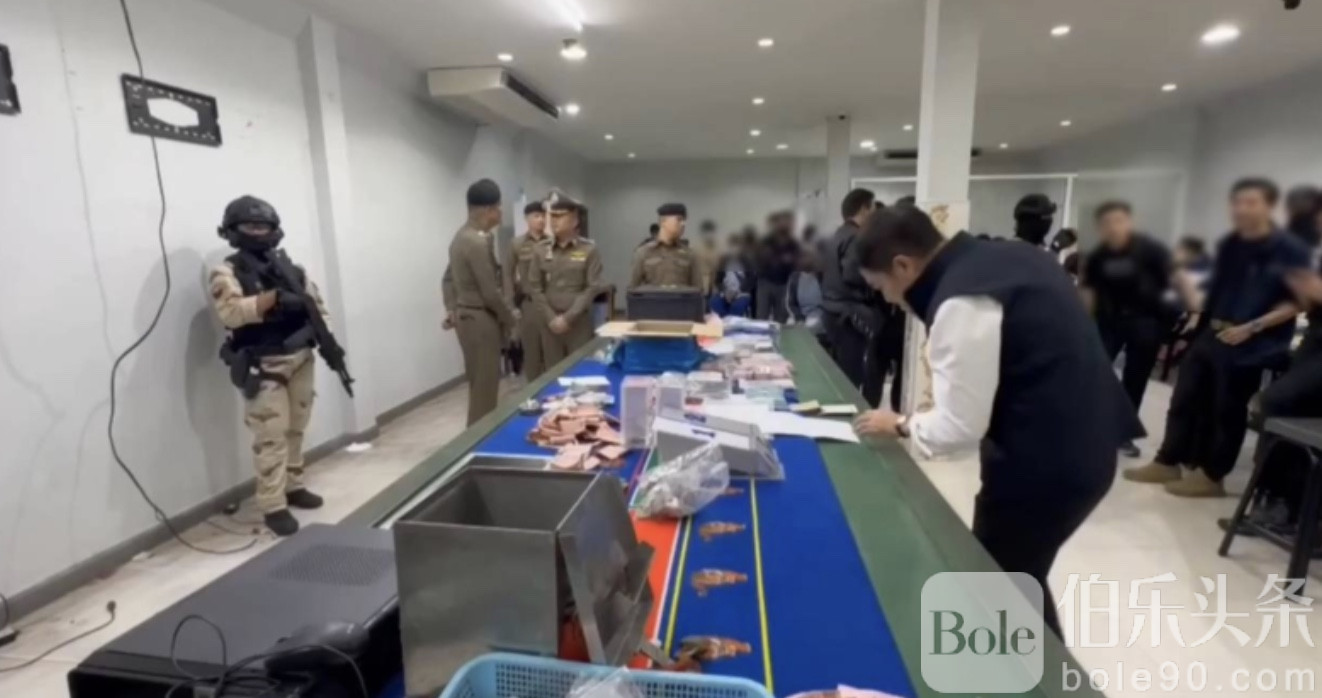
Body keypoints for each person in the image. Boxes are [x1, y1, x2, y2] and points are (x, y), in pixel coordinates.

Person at [851, 206, 1141, 634]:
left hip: (1048, 464)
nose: (889, 299)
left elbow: (958, 428)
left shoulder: (960, 301)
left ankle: (1037, 669)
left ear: (903, 266)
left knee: (998, 583)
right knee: (1016, 577)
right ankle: (1039, 663)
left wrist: (901, 424)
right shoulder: (1011, 256)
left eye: (882, 287)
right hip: (1089, 439)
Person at [1128, 178, 1310, 497]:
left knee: (1225, 409)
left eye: (1250, 202)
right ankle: (1168, 459)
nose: (1241, 209)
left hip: (1250, 340)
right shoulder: (1231, 244)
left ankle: (1212, 476)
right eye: (1237, 202)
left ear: (1269, 206)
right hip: (1211, 331)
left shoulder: (1289, 249)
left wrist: (1253, 327)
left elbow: (1299, 301)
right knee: (1184, 398)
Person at [210, 196, 332, 536]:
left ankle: (293, 485)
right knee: (271, 436)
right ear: (233, 231)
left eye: (263, 226)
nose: (258, 231)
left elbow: (318, 308)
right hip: (264, 364)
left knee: (297, 427)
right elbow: (231, 313)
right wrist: (272, 299)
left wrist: (321, 334)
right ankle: (272, 504)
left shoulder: (294, 270)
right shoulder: (226, 272)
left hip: (300, 358)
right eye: (250, 226)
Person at [1081, 201, 1173, 458]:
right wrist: (1083, 324)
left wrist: (1165, 329)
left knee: (1135, 380)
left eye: (1119, 221)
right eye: (1107, 223)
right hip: (1108, 322)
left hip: (1146, 324)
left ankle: (1123, 434)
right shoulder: (1098, 255)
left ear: (1130, 222)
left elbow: (1170, 289)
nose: (1113, 227)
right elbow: (1089, 292)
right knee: (1095, 374)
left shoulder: (1153, 252)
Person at [444, 179, 518, 426]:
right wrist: (511, 319)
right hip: (479, 319)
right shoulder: (474, 242)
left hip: (470, 317)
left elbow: (447, 278)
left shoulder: (463, 237)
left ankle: (478, 437)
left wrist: (451, 308)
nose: (501, 212)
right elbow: (490, 293)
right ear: (489, 210)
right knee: (484, 391)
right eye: (499, 207)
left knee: (481, 385)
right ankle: (478, 442)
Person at [822, 188, 886, 405]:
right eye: (873, 207)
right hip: (849, 312)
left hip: (832, 309)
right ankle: (849, 416)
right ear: (863, 209)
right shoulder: (856, 237)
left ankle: (839, 409)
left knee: (839, 372)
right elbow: (852, 274)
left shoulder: (838, 234)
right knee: (851, 374)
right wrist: (876, 276)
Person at [527, 195, 603, 366]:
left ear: (574, 220)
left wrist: (568, 318)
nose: (554, 221)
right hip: (549, 323)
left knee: (579, 369)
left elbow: (592, 287)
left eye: (560, 216)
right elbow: (535, 287)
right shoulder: (541, 250)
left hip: (578, 323)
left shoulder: (589, 250)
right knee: (552, 371)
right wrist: (551, 318)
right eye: (552, 216)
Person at [505, 200, 550, 380]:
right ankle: (534, 392)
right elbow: (507, 275)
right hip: (529, 305)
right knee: (531, 355)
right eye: (536, 216)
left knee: (552, 354)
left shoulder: (552, 242)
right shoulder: (517, 244)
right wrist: (511, 305)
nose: (541, 220)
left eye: (543, 216)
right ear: (527, 219)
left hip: (550, 303)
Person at [630, 203, 704, 290]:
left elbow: (698, 291)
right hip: (652, 299)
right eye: (679, 219)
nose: (683, 224)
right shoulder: (643, 253)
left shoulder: (690, 255)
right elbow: (633, 289)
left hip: (681, 299)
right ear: (663, 222)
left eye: (684, 220)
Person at [753, 211, 800, 322]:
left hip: (784, 284)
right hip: (765, 282)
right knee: (762, 316)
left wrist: (789, 261)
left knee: (781, 317)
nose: (784, 224)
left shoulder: (793, 244)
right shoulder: (766, 242)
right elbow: (760, 259)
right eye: (781, 222)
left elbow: (796, 261)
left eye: (788, 222)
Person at [788, 247, 828, 345]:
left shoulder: (822, 277)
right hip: (801, 315)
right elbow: (791, 303)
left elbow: (827, 302)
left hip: (818, 315)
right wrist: (799, 318)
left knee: (807, 329)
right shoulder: (795, 277)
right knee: (789, 327)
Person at [711, 232, 753, 316]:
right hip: (726, 293)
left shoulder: (747, 261)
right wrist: (724, 291)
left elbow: (751, 280)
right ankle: (723, 321)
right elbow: (718, 281)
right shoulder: (724, 261)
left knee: (738, 306)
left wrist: (738, 291)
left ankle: (732, 321)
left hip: (741, 293)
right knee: (714, 302)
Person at [694, 219, 723, 295]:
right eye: (707, 232)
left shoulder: (718, 247)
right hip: (701, 283)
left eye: (711, 232)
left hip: (715, 283)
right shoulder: (697, 248)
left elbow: (719, 265)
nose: (709, 235)